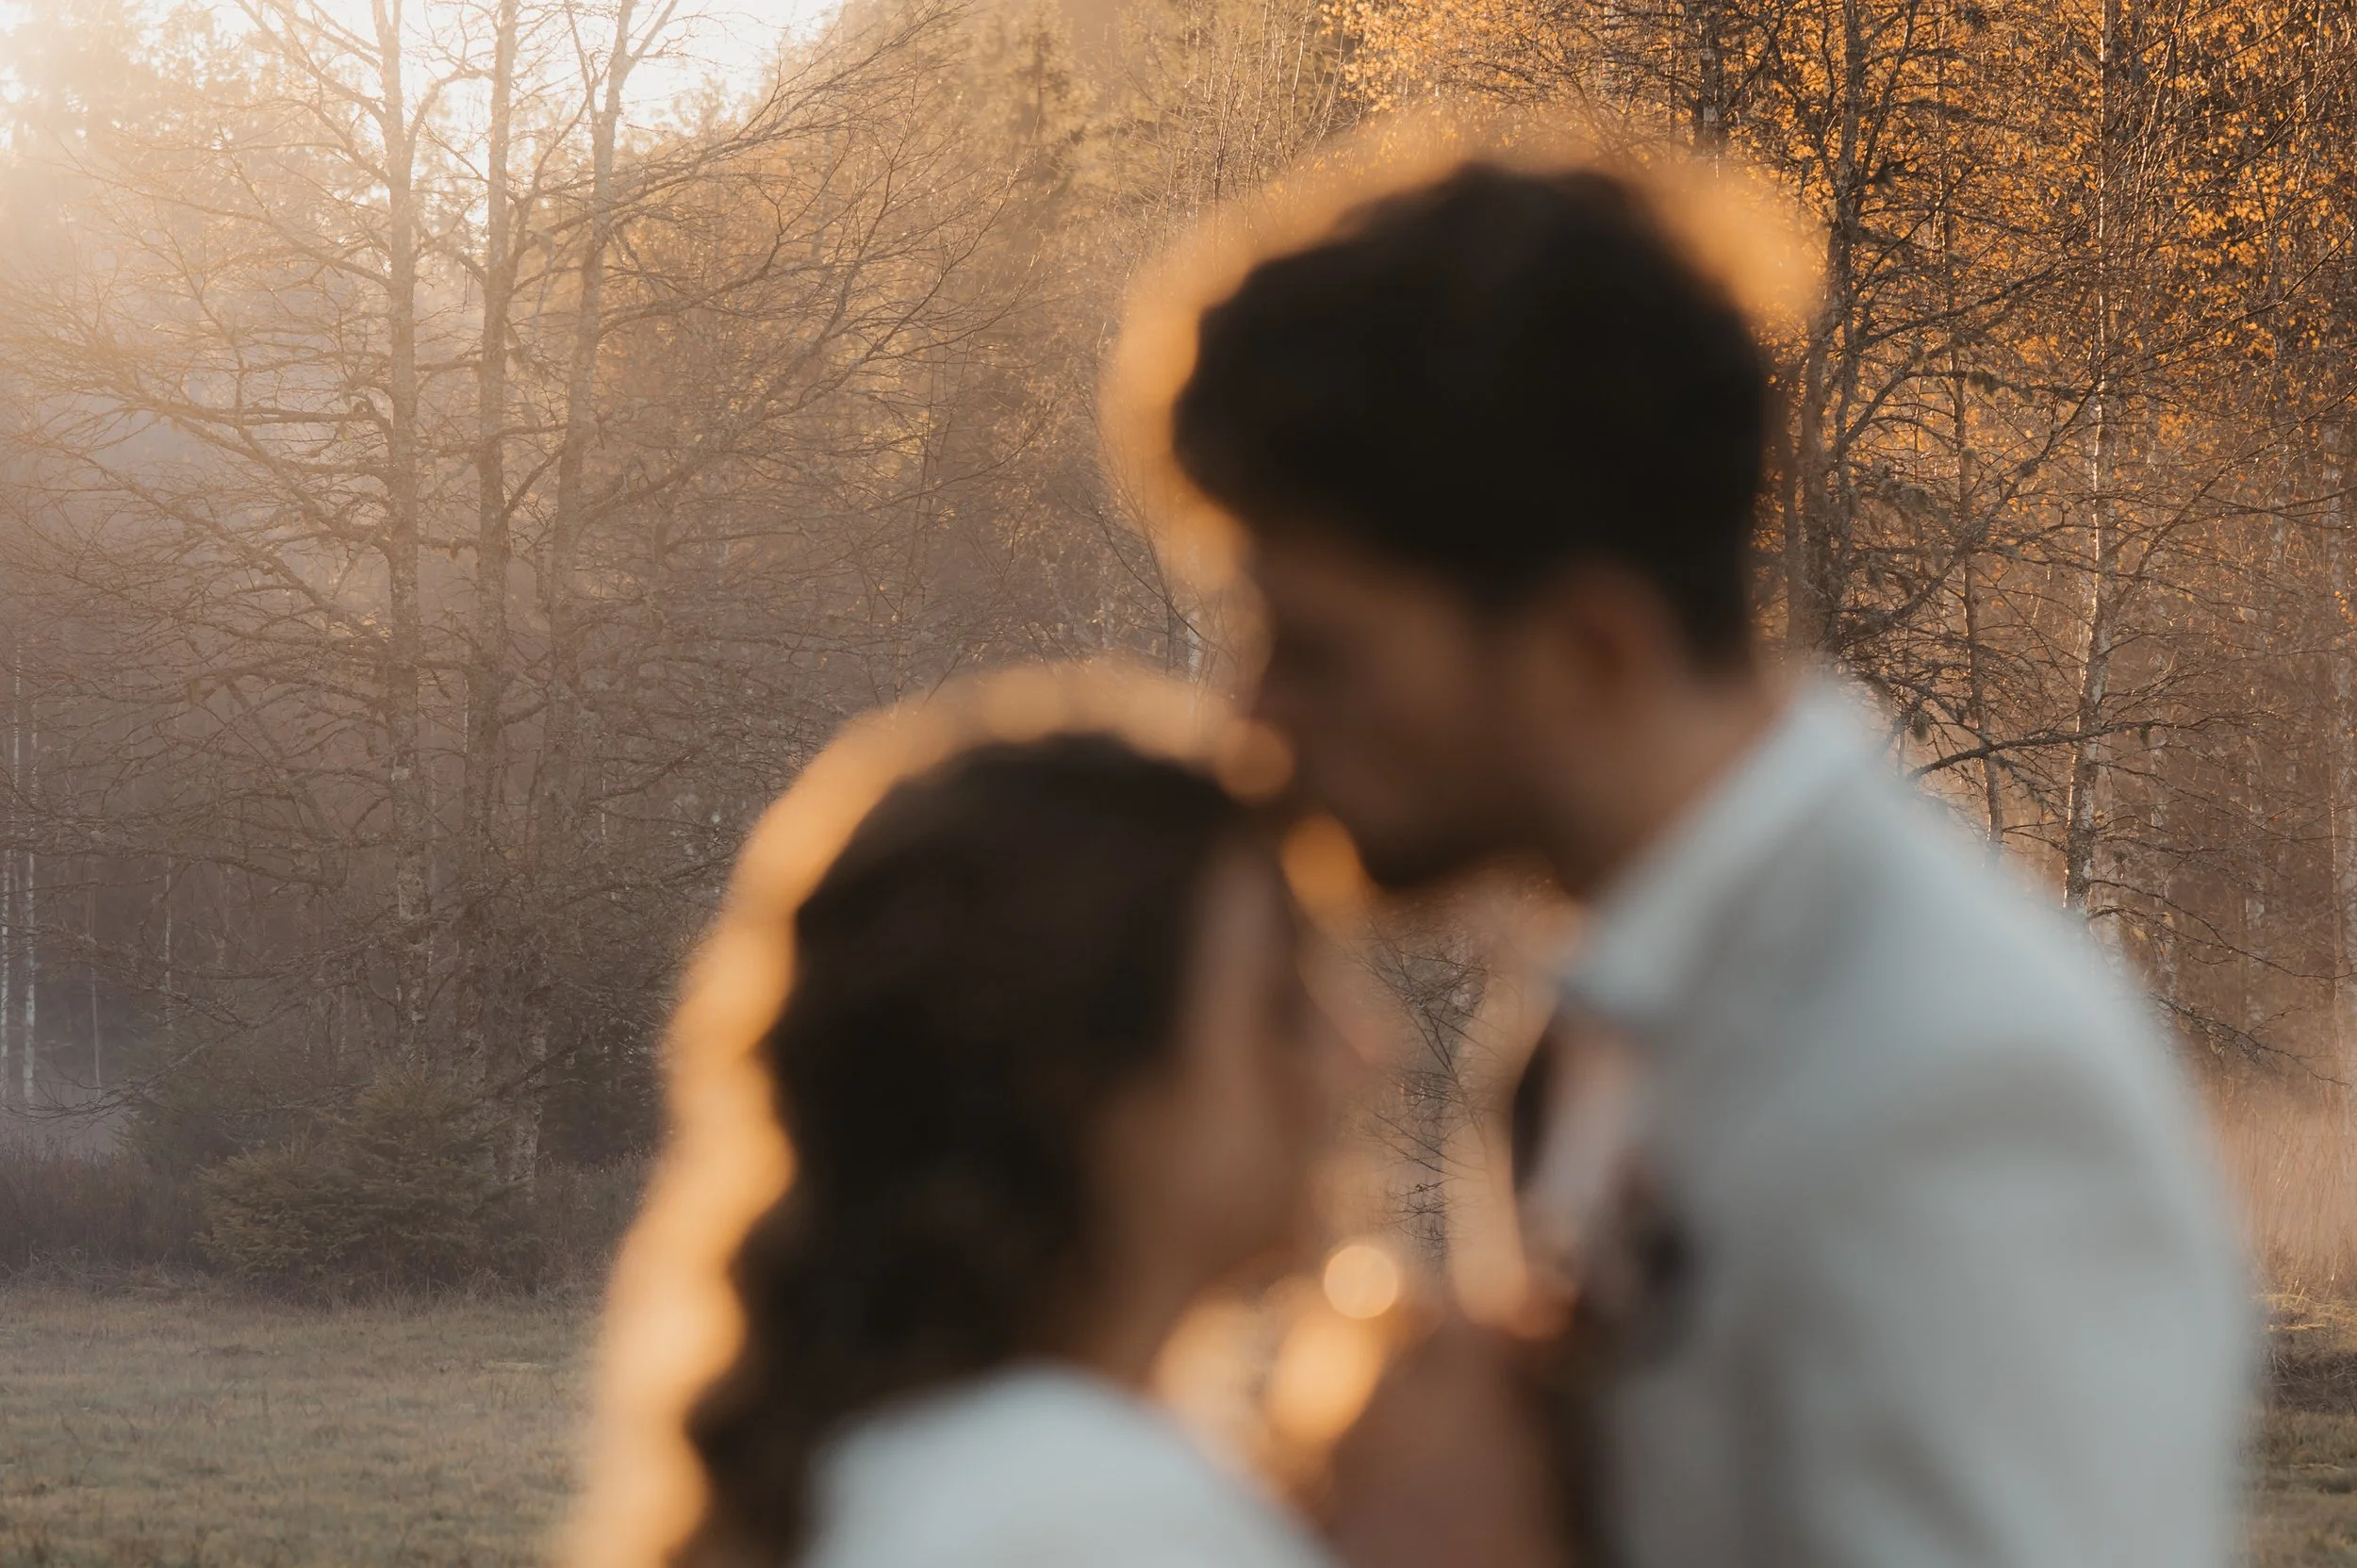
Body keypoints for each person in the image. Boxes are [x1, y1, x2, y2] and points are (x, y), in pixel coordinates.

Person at [1167, 161, 2251, 1568]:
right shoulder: (1605, 1019)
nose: (1252, 726)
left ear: (1590, 651)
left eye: (1321, 652)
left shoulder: (1955, 1077)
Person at [673, 731, 1357, 1568]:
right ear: (1084, 1082)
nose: (1356, 1055)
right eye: (1281, 1006)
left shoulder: (915, 1470)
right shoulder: (1091, 1515)